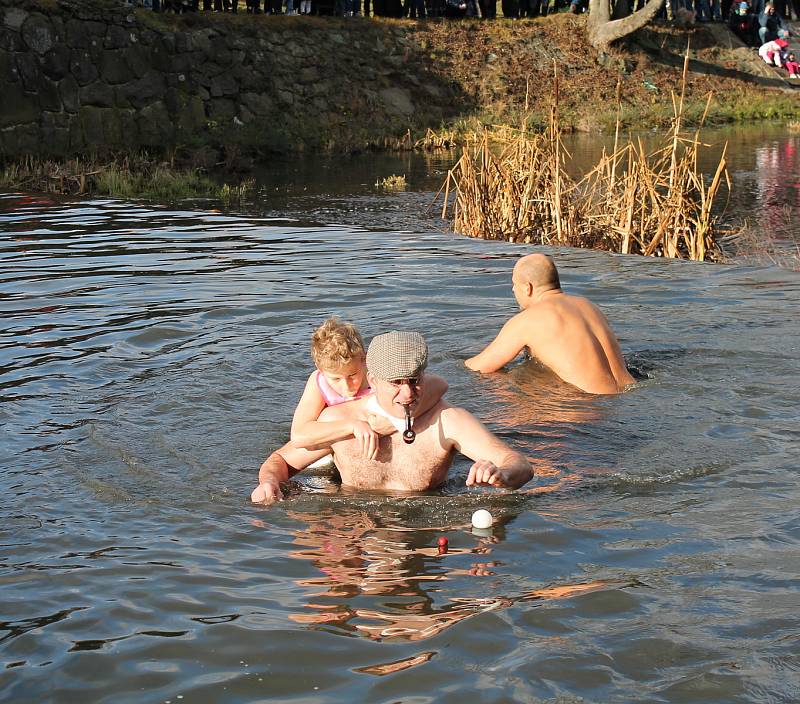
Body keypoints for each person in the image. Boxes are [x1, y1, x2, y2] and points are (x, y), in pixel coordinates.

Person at [251, 331, 533, 503]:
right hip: (356, 535)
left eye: (414, 380)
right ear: (372, 380)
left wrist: (503, 475)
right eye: (396, 383)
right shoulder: (337, 422)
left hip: (425, 538)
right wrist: (269, 484)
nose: (408, 394)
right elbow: (281, 461)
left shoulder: (448, 420)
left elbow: (520, 464)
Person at [464, 253, 634, 395]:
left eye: (514, 284)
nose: (513, 290)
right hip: (628, 394)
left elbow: (479, 368)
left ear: (527, 287)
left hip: (587, 406)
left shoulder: (527, 320)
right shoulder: (590, 306)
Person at [290, 317, 448, 459]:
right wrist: (353, 425)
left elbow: (440, 385)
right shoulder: (318, 381)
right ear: (320, 368)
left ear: (364, 359)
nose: (346, 386)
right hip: (341, 436)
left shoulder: (377, 375)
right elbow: (299, 436)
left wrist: (396, 422)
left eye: (352, 375)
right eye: (336, 379)